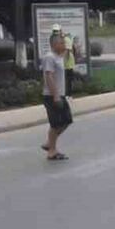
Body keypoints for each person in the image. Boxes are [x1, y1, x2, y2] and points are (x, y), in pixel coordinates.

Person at [41, 31, 73, 160]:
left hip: (60, 94)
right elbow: (49, 77)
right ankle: (52, 151)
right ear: (54, 45)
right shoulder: (49, 57)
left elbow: (68, 52)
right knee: (56, 123)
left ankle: (49, 143)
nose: (64, 45)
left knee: (66, 120)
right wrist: (55, 96)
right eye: (61, 43)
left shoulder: (58, 56)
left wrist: (66, 40)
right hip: (52, 95)